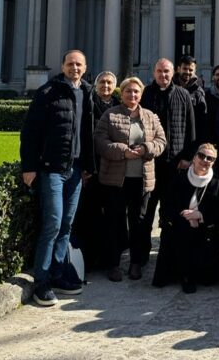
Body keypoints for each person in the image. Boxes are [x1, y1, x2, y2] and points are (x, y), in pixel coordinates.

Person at [20, 49, 96, 307]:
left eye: (79, 64)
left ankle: (58, 274)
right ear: (62, 66)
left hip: (74, 169)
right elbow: (30, 132)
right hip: (52, 167)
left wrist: (88, 166)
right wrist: (29, 166)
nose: (75, 68)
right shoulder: (48, 92)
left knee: (66, 224)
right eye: (70, 64)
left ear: (85, 68)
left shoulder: (86, 92)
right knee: (52, 223)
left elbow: (87, 133)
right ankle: (41, 281)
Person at [93, 76, 166, 282]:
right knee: (114, 222)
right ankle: (113, 264)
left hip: (142, 180)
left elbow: (161, 141)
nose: (132, 95)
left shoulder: (150, 116)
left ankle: (136, 263)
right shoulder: (110, 115)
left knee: (139, 224)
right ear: (121, 93)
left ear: (141, 94)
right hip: (116, 180)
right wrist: (123, 151)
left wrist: (146, 148)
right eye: (128, 91)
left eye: (136, 92)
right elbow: (100, 141)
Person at [152, 143, 219, 293]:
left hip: (205, 230)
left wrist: (200, 216)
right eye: (201, 156)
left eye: (210, 158)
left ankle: (189, 274)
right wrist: (184, 217)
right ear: (194, 157)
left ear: (213, 162)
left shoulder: (218, 183)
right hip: (180, 225)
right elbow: (166, 205)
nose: (204, 160)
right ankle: (186, 275)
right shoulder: (179, 178)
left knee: (208, 279)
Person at [141, 58, 196, 232]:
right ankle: (140, 255)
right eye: (159, 71)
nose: (163, 75)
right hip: (150, 162)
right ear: (154, 73)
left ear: (173, 73)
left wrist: (188, 158)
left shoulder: (183, 94)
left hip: (175, 162)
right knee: (146, 210)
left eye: (166, 71)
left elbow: (190, 129)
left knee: (170, 210)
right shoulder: (145, 94)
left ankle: (168, 254)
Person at [71, 70, 117, 273]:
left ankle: (109, 259)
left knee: (112, 216)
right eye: (102, 83)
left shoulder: (120, 105)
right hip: (93, 168)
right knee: (89, 214)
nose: (105, 86)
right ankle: (88, 259)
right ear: (96, 85)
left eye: (109, 83)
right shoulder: (87, 103)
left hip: (114, 169)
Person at [178, 54, 209, 144]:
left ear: (195, 71)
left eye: (191, 70)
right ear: (179, 68)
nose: (187, 72)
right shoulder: (171, 87)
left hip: (191, 138)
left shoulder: (199, 92)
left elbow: (203, 119)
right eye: (184, 69)